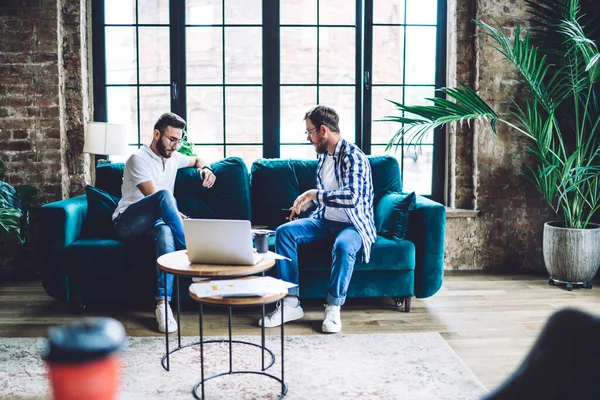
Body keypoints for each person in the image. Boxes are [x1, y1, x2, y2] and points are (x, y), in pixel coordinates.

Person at [259, 105, 377, 333]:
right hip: (325, 221)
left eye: (310, 132)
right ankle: (290, 302)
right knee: (285, 231)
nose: (308, 138)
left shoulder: (354, 157)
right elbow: (327, 195)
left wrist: (313, 193)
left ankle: (333, 307)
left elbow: (351, 197)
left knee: (343, 246)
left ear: (323, 130)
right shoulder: (324, 157)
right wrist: (306, 203)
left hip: (353, 224)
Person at [112, 112, 216, 333]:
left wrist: (205, 168)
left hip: (156, 224)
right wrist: (176, 214)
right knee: (165, 197)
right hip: (127, 222)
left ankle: (162, 304)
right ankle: (194, 257)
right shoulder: (137, 159)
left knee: (165, 233)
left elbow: (198, 159)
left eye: (179, 140)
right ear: (157, 134)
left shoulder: (173, 157)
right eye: (171, 139)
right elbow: (156, 198)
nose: (175, 146)